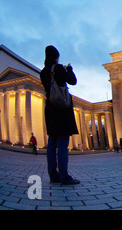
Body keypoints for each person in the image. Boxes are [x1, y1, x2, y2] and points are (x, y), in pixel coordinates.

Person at [40, 45, 80, 185]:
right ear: (56, 56)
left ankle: (53, 176)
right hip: (62, 109)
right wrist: (69, 70)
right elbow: (72, 81)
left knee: (51, 144)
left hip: (50, 109)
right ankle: (64, 176)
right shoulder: (58, 68)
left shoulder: (43, 72)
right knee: (63, 143)